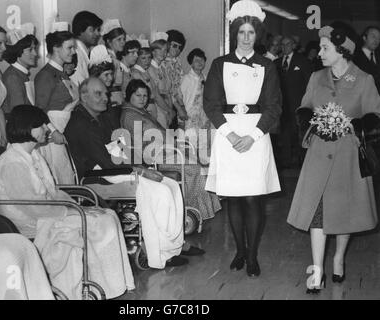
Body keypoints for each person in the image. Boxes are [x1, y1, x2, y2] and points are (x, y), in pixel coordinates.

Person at [0, 105, 135, 299]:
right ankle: (88, 288)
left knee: (107, 215)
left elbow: (53, 191)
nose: (46, 129)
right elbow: (31, 206)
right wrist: (74, 212)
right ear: (27, 128)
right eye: (41, 126)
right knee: (98, 221)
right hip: (28, 222)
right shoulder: (12, 162)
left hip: (46, 213)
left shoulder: (33, 155)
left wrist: (79, 208)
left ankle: (108, 284)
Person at [287, 25, 380, 294]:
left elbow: (375, 116)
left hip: (348, 158)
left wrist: (355, 124)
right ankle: (317, 270)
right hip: (318, 155)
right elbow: (303, 108)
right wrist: (312, 121)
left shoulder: (364, 80)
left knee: (344, 214)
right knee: (318, 215)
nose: (321, 52)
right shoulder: (316, 77)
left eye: (326, 48)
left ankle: (338, 257)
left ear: (343, 51)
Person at [64, 77, 189, 268]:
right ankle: (159, 253)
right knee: (161, 191)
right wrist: (140, 171)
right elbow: (105, 161)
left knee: (170, 185)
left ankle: (174, 246)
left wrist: (140, 166)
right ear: (83, 96)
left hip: (115, 169)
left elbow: (118, 148)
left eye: (105, 93)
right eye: (98, 93)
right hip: (99, 177)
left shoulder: (99, 118)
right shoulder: (81, 123)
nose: (104, 98)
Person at [203, 0, 281, 277]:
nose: (246, 38)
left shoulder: (267, 66)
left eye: (251, 33)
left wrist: (254, 136)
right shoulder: (219, 64)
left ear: (256, 35)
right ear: (234, 34)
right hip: (228, 134)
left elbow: (274, 106)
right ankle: (239, 250)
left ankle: (253, 254)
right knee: (234, 199)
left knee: (253, 198)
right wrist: (231, 134)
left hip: (256, 136)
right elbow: (210, 103)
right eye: (241, 32)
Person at [121, 79, 221, 222]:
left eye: (144, 96)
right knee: (195, 169)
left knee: (200, 161)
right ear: (129, 95)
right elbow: (141, 144)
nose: (142, 99)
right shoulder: (130, 115)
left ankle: (197, 211)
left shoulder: (140, 112)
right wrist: (170, 146)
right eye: (138, 95)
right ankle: (189, 212)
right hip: (154, 159)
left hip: (165, 151)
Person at [34, 30, 79, 184]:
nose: (73, 52)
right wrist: (53, 132)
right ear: (56, 48)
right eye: (69, 48)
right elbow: (39, 110)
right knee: (58, 177)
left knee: (67, 174)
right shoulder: (45, 75)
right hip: (53, 136)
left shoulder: (62, 73)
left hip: (64, 132)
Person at [275, 36, 312, 168]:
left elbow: (309, 83)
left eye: (288, 44)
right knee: (284, 134)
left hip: (298, 105)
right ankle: (286, 160)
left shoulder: (303, 61)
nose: (285, 47)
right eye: (282, 44)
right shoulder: (276, 63)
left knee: (299, 133)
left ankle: (301, 161)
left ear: (293, 45)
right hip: (282, 105)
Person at [163, 29, 188, 128]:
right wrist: (179, 108)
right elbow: (169, 90)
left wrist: (182, 105)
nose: (177, 49)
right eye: (174, 45)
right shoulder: (162, 62)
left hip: (178, 103)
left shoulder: (177, 61)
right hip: (167, 103)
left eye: (179, 47)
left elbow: (179, 86)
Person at [70, 11, 103, 85]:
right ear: (80, 30)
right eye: (92, 30)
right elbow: (80, 86)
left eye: (98, 30)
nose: (97, 34)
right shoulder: (76, 54)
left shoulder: (84, 51)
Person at [149, 34, 174, 128]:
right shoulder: (150, 69)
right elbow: (156, 95)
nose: (163, 53)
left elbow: (168, 92)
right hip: (157, 108)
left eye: (165, 50)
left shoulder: (163, 68)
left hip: (166, 108)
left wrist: (170, 110)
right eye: (159, 49)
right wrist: (168, 110)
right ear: (153, 51)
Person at [101, 19, 126, 108]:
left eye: (124, 39)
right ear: (108, 41)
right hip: (111, 99)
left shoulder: (116, 58)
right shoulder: (107, 57)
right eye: (119, 39)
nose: (123, 42)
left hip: (118, 98)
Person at [353, 26, 380, 93]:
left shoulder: (378, 56)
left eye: (379, 38)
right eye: (373, 36)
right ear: (364, 38)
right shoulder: (354, 57)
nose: (376, 40)